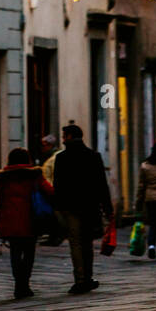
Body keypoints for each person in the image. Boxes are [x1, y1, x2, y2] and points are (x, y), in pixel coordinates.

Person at [51, 124, 113, 294]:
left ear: (70, 136)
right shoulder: (93, 156)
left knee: (76, 243)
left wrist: (56, 207)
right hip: (89, 205)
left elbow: (57, 185)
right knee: (87, 242)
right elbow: (102, 184)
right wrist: (107, 207)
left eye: (64, 136)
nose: (63, 139)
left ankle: (80, 279)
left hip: (69, 206)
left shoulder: (62, 158)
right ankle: (87, 277)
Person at [0, 147, 54, 299]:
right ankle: (24, 284)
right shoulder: (34, 175)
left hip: (10, 219)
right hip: (30, 218)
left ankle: (18, 284)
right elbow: (49, 191)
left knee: (15, 252)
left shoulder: (3, 178)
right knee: (29, 253)